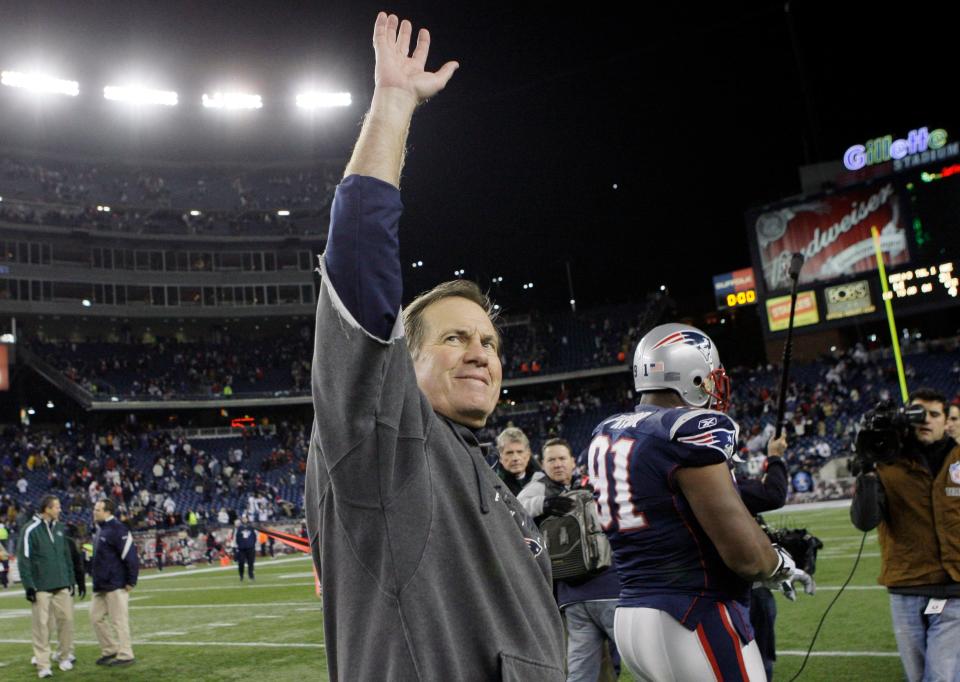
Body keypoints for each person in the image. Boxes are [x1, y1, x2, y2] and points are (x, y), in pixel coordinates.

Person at [304, 12, 564, 680]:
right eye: (454, 338)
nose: (481, 352)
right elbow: (361, 264)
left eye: (488, 341)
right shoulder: (388, 447)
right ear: (401, 364)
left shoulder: (479, 466)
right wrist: (392, 105)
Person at [588, 323, 801, 681]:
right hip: (691, 615)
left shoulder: (607, 430)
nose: (714, 386)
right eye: (709, 377)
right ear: (693, 377)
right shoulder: (688, 429)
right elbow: (747, 557)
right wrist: (779, 563)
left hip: (631, 615)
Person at [851, 388, 960, 682]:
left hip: (955, 588)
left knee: (940, 676)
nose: (925, 420)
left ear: (947, 421)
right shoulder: (887, 463)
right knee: (918, 676)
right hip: (906, 586)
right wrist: (867, 473)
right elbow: (864, 521)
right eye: (918, 414)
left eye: (934, 415)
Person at [518, 438, 622, 682]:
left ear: (573, 461)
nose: (557, 464)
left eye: (562, 458)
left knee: (626, 662)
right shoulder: (540, 486)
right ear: (542, 465)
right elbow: (517, 506)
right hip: (574, 594)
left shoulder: (592, 481)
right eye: (551, 460)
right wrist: (543, 504)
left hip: (607, 585)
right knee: (583, 669)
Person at [17, 495, 76, 678]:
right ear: (47, 509)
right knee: (41, 626)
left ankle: (65, 656)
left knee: (67, 620)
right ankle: (43, 664)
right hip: (41, 586)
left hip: (62, 584)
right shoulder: (30, 529)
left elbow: (66, 556)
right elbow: (23, 559)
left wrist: (71, 579)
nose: (59, 510)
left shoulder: (60, 528)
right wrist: (29, 586)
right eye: (56, 507)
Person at [91, 498, 138, 667]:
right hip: (101, 585)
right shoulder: (100, 529)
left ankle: (126, 654)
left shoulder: (118, 529)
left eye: (97, 509)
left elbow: (130, 555)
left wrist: (131, 580)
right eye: (95, 509)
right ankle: (110, 649)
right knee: (96, 618)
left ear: (108, 511)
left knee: (119, 620)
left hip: (116, 583)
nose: (94, 512)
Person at [495, 426, 543, 496]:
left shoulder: (542, 480)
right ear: (500, 457)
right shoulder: (494, 486)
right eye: (509, 453)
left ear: (528, 455)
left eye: (520, 452)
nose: (515, 458)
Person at [234, 516, 257, 581]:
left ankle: (251, 575)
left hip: (250, 547)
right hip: (242, 548)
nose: (244, 519)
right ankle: (241, 575)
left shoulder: (251, 527)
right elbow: (237, 538)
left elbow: (254, 537)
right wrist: (239, 546)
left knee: (251, 563)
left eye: (245, 518)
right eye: (243, 518)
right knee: (241, 563)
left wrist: (252, 544)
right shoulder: (239, 528)